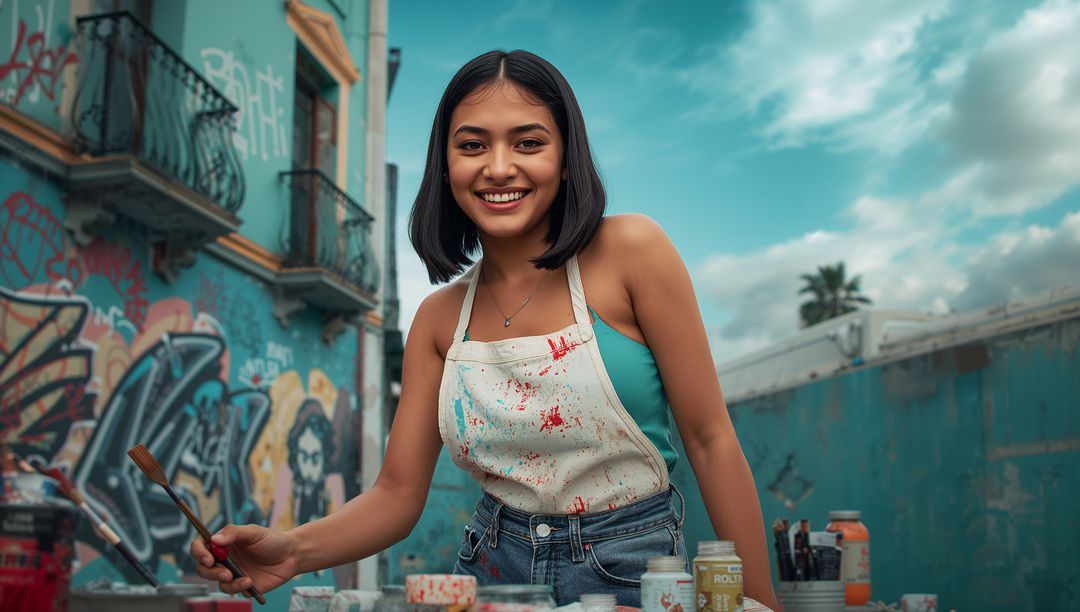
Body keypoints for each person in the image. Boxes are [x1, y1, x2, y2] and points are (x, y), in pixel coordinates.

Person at [190, 49, 779, 610]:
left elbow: (710, 440)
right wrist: (292, 551)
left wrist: (760, 602)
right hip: (489, 572)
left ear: (566, 159)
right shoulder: (438, 319)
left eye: (529, 142)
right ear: (446, 166)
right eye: (472, 145)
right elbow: (396, 494)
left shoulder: (632, 252)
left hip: (630, 572)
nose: (498, 167)